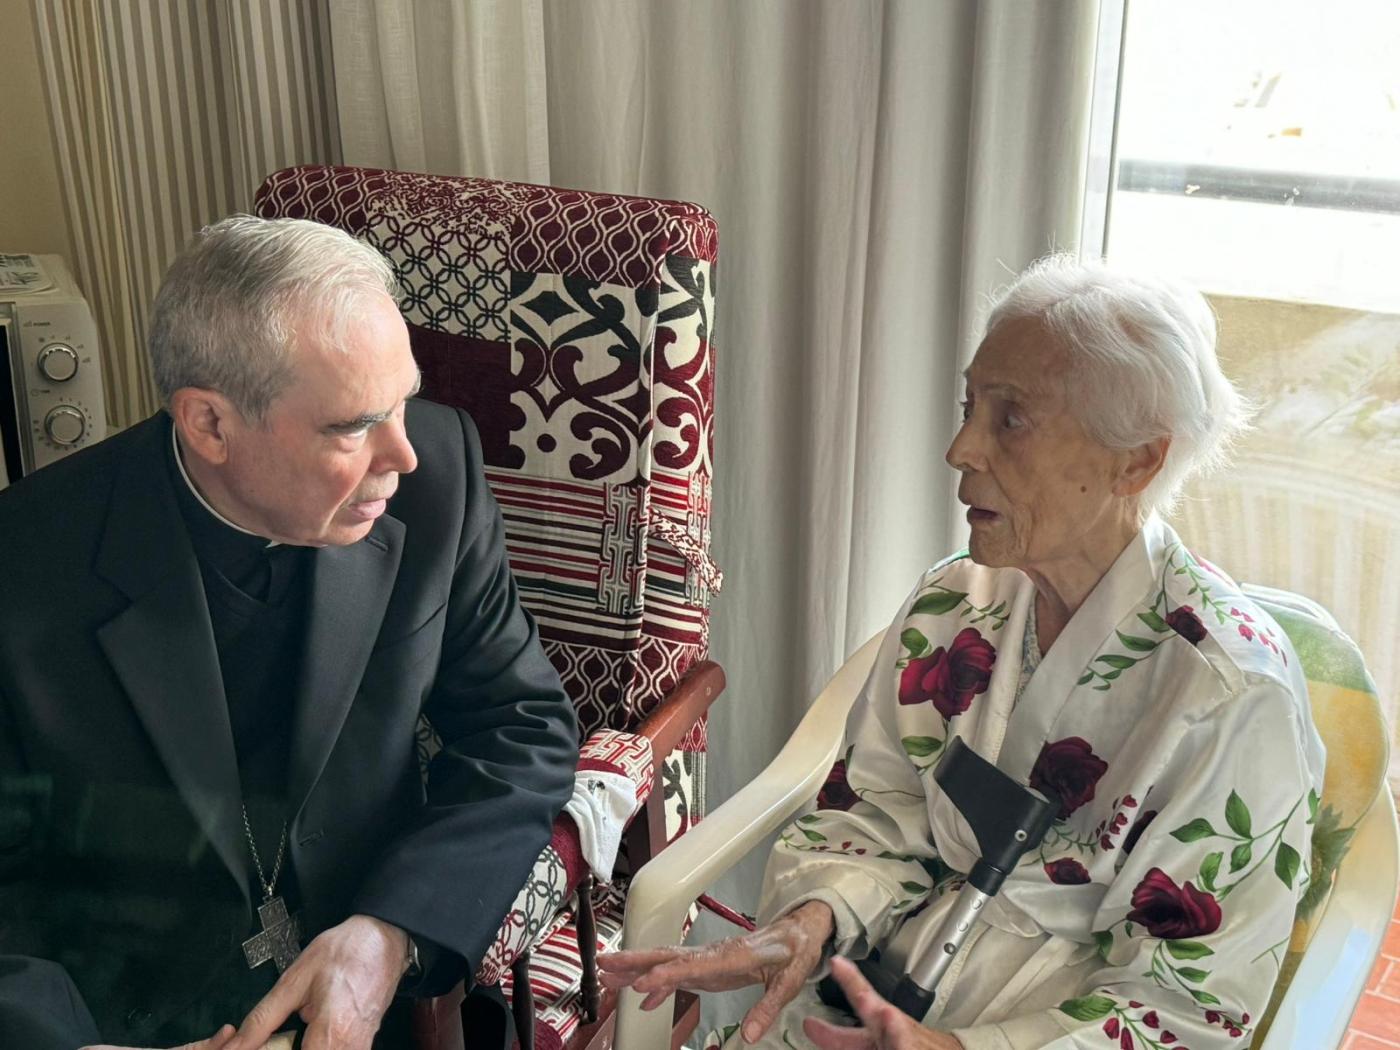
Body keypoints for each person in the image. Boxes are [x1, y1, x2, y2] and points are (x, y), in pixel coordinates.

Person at [600, 256, 1326, 1050]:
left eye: (1010, 418)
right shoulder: (957, 604)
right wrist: (811, 922)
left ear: (1138, 459)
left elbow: (1186, 1013)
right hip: (861, 1014)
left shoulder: (1228, 697)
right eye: (968, 406)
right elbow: (876, 816)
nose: (959, 448)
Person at [0, 216, 579, 1050]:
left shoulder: (438, 479)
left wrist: (391, 933)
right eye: (352, 425)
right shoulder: (21, 563)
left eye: (404, 399)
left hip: (375, 1002)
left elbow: (520, 728)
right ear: (209, 425)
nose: (404, 452)